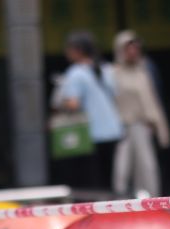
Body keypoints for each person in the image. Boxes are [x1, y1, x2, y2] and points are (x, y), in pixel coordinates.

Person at [53, 31, 123, 190]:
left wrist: (59, 105)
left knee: (90, 182)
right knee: (108, 179)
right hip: (112, 130)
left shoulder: (76, 73)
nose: (66, 52)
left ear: (78, 50)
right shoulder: (106, 69)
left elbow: (73, 104)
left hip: (89, 134)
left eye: (69, 48)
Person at [111, 30, 170, 198]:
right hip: (122, 126)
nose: (133, 51)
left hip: (143, 124)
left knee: (146, 164)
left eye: (135, 48)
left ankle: (151, 198)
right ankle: (121, 199)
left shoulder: (144, 71)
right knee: (122, 166)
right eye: (128, 48)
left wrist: (158, 125)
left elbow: (151, 99)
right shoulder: (113, 73)